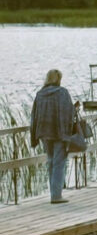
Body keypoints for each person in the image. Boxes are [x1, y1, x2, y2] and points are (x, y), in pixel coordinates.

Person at [30, 69, 75, 204]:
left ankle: (54, 193)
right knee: (59, 163)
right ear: (58, 79)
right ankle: (56, 196)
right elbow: (69, 112)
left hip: (44, 132)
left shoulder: (40, 94)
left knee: (50, 161)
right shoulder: (62, 92)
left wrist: (34, 136)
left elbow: (34, 115)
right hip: (59, 132)